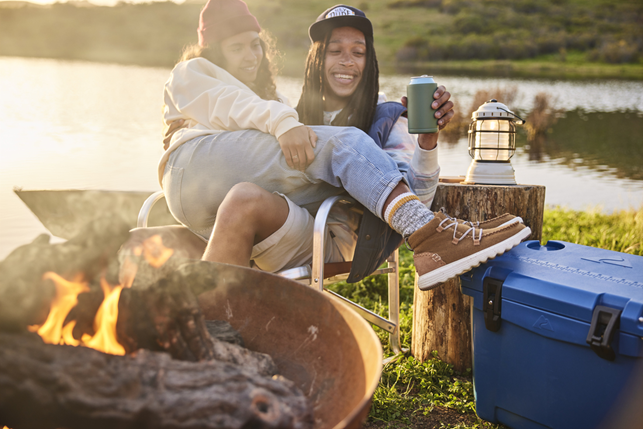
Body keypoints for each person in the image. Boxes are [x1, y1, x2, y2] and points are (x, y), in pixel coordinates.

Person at [160, 1, 530, 290]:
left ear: (370, 62)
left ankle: (431, 237)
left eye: (358, 52)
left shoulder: (388, 114)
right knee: (310, 162)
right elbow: (232, 112)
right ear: (316, 60)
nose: (347, 62)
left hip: (341, 236)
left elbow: (417, 193)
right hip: (291, 220)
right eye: (335, 50)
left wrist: (428, 144)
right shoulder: (290, 114)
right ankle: (433, 239)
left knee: (259, 190)